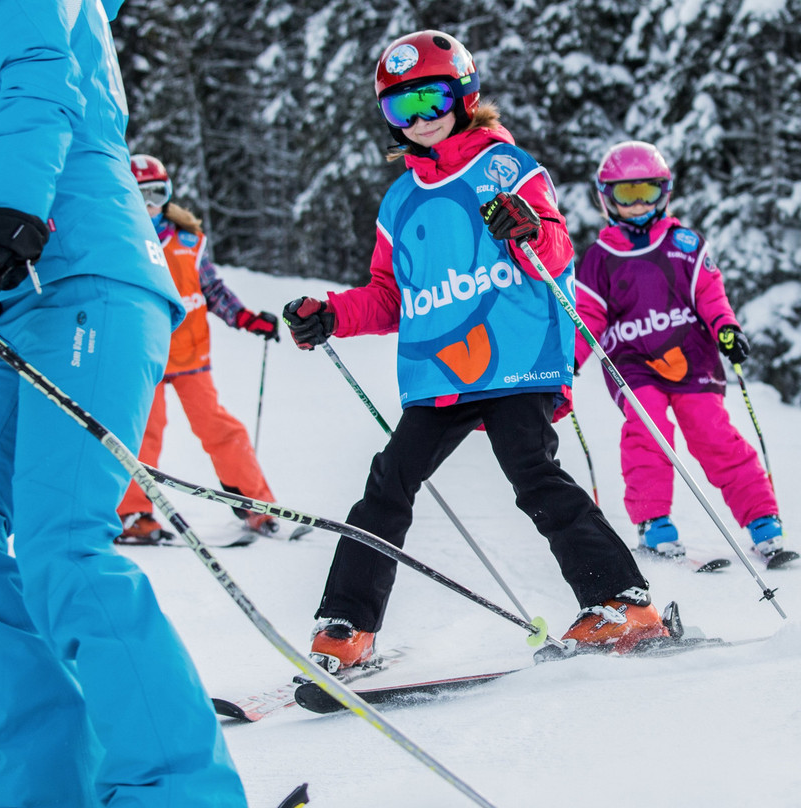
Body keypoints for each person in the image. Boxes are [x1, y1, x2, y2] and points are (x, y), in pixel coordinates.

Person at [0, 2, 246, 806]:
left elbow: (40, 80)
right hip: (13, 310)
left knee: (63, 540)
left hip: (78, 276)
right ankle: (48, 789)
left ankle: (178, 795)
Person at [282, 30, 668, 672]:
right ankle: (347, 628)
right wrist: (331, 314)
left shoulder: (505, 167)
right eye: (401, 108)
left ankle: (620, 602)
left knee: (532, 472)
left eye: (431, 100)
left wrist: (528, 228)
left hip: (516, 359)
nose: (421, 119)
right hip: (441, 373)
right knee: (387, 484)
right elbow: (387, 296)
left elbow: (555, 250)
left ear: (464, 96)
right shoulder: (400, 201)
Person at [574, 140, 788, 563]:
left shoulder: (685, 244)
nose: (637, 205)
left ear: (664, 192)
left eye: (646, 192)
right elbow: (588, 315)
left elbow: (710, 295)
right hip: (634, 363)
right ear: (606, 198)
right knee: (648, 428)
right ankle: (655, 522)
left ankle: (762, 518)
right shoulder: (601, 257)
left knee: (713, 433)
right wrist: (569, 361)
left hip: (691, 357)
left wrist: (726, 329)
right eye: (625, 194)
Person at [116, 154, 281, 544]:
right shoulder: (120, 240)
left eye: (155, 194)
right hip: (146, 358)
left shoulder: (189, 241)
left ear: (168, 195)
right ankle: (133, 514)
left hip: (190, 357)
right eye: (138, 196)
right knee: (143, 433)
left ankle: (255, 504)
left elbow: (212, 290)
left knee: (221, 429)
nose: (148, 205)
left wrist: (246, 318)